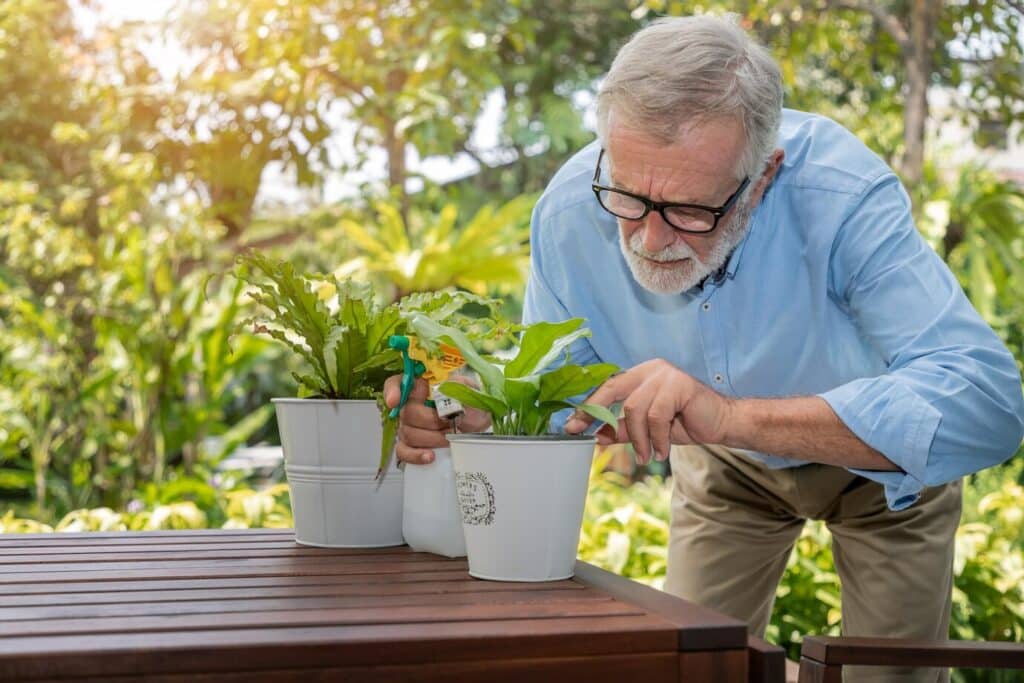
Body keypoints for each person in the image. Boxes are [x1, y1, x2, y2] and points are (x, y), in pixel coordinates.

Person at [384, 15, 1024, 683]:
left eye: (691, 211)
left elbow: (990, 404)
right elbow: (560, 395)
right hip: (725, 468)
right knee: (692, 665)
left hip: (879, 468)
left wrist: (730, 416)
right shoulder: (571, 213)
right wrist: (473, 418)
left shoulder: (842, 195)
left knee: (888, 675)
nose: (651, 239)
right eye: (629, 197)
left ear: (763, 176)